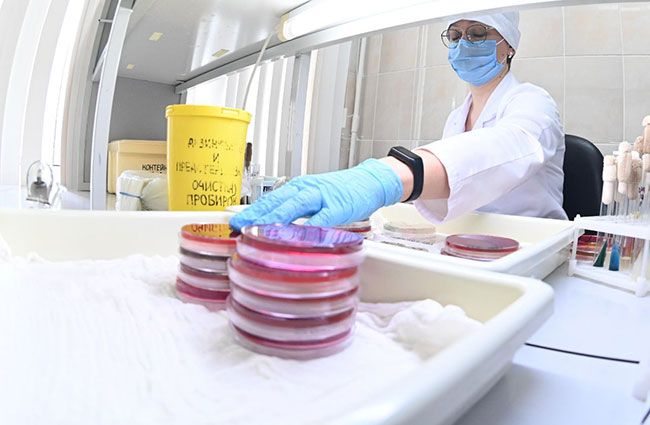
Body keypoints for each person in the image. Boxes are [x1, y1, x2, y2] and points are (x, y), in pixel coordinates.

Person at [230, 11, 566, 232]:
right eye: (455, 35)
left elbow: (509, 146)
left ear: (509, 47)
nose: (464, 44)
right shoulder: (456, 118)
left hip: (533, 242)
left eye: (478, 33)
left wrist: (387, 177)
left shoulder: (533, 101)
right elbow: (453, 188)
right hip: (470, 241)